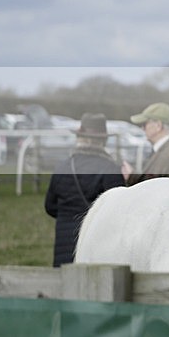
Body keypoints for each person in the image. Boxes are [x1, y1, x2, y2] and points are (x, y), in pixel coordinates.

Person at [45, 113, 125, 267]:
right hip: (96, 246)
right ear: (103, 140)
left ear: (79, 137)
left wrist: (68, 216)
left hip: (63, 244)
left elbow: (50, 206)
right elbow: (118, 212)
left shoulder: (62, 167)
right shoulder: (110, 169)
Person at [122, 102, 169, 185]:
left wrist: (132, 178)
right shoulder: (166, 149)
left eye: (144, 124)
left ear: (158, 126)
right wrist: (132, 177)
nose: (142, 128)